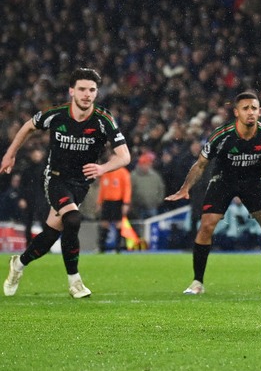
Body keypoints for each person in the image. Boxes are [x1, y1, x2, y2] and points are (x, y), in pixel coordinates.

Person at [165, 91, 261, 296]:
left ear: (260, 111)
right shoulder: (222, 135)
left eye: (254, 108)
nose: (250, 112)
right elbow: (201, 165)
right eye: (245, 108)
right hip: (223, 181)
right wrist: (185, 189)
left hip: (253, 182)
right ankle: (197, 282)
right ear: (236, 112)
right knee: (207, 225)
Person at [2, 68, 131, 298]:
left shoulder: (103, 119)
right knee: (72, 218)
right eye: (82, 89)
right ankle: (74, 281)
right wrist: (10, 153)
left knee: (52, 232)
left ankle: (19, 264)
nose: (87, 94)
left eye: (92, 90)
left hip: (81, 184)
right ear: (71, 91)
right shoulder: (57, 114)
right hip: (56, 178)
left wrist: (102, 168)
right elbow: (28, 127)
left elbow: (124, 156)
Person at [96, 162, 132, 253]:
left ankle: (118, 247)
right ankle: (102, 247)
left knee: (119, 224)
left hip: (118, 201)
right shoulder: (106, 172)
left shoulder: (123, 172)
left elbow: (127, 189)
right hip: (106, 201)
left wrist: (126, 203)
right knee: (104, 223)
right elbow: (102, 188)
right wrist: (99, 202)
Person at [130, 152, 165, 220]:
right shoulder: (133, 176)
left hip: (152, 207)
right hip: (138, 208)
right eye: (144, 164)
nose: (146, 166)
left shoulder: (155, 176)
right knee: (140, 226)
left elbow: (161, 188)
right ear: (140, 165)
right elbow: (129, 190)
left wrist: (158, 201)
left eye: (148, 164)